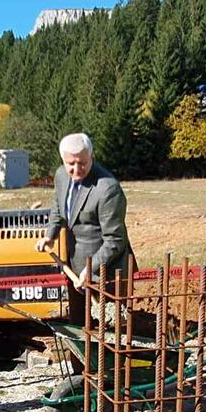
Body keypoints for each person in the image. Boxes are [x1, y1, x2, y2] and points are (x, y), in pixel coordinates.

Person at [34, 133, 133, 329]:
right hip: (75, 268)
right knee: (80, 328)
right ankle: (80, 361)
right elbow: (58, 204)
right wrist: (50, 235)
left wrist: (92, 268)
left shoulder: (108, 189)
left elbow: (115, 240)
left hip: (108, 272)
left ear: (91, 157)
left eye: (83, 163)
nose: (76, 169)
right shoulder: (61, 175)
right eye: (71, 163)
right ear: (63, 160)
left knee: (110, 335)